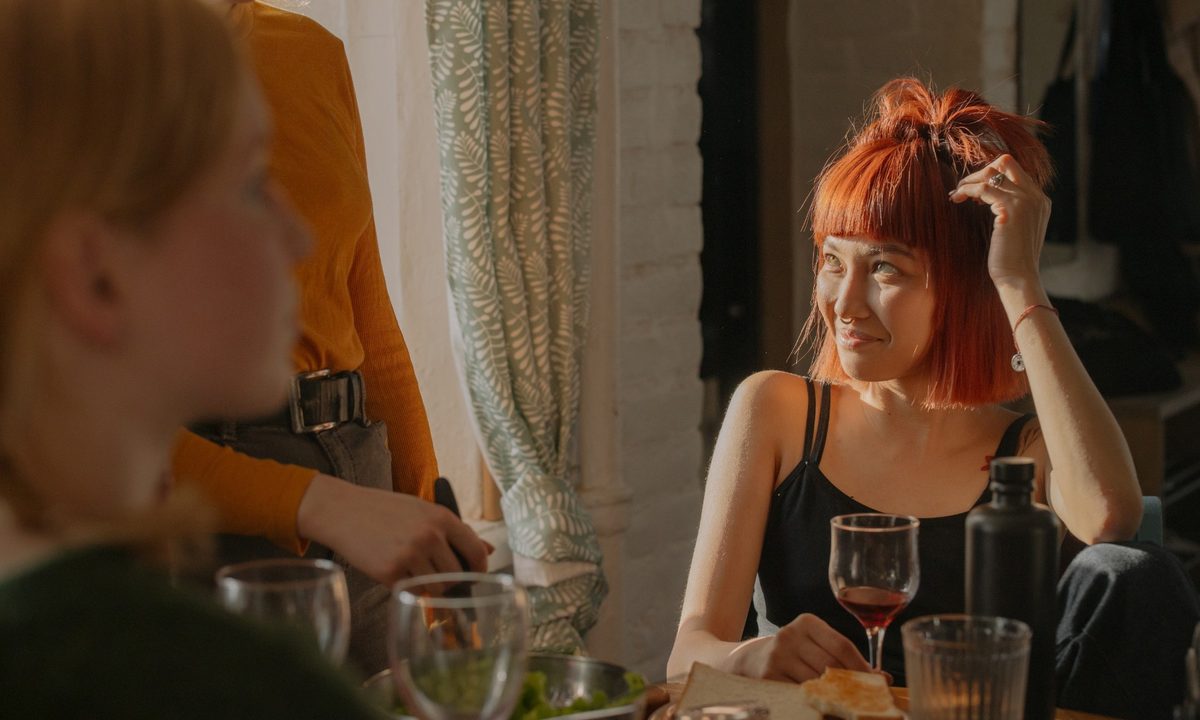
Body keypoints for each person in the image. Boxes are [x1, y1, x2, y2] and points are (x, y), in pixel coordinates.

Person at [668, 78, 1200, 718]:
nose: (844, 303)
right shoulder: (777, 410)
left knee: (1137, 573)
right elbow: (688, 654)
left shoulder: (1025, 453)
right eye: (833, 261)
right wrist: (747, 658)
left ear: (966, 287)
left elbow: (1111, 518)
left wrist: (1018, 281)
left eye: (885, 268)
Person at [0, 0, 387, 715]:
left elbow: (374, 318)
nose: (298, 236)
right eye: (250, 184)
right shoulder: (224, 682)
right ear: (93, 273)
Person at [171, 0, 488, 675]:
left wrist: (439, 577)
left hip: (360, 483)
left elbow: (371, 330)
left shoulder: (309, 50)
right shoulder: (74, 61)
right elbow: (56, 417)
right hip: (211, 501)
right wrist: (315, 503)